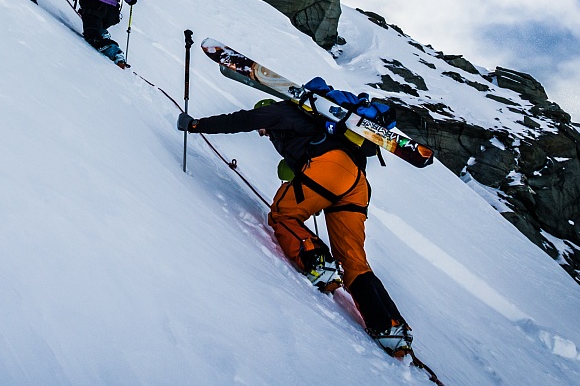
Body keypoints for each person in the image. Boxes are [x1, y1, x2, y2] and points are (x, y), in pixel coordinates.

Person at [176, 92, 413, 354]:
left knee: (282, 214)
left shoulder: (281, 111)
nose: (262, 133)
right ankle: (390, 326)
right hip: (356, 184)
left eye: (263, 129)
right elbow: (295, 168)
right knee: (353, 259)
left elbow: (241, 120)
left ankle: (317, 262)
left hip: (330, 169)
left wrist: (196, 125)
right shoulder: (314, 128)